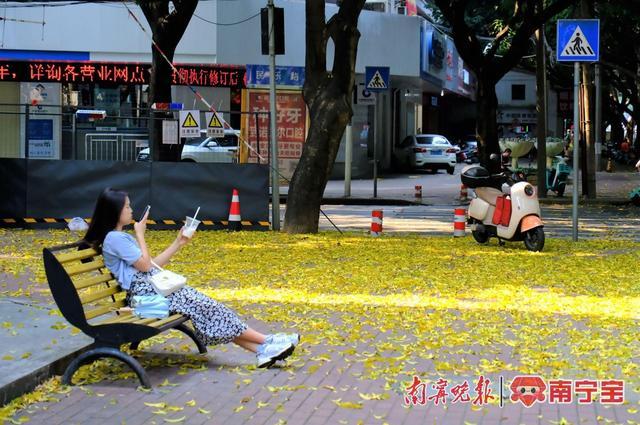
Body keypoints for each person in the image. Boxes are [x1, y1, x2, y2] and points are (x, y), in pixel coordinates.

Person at [83, 188, 299, 368]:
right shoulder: (115, 238)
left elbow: (151, 266)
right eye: (127, 207)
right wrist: (140, 234)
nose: (131, 210)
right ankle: (268, 341)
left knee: (209, 310)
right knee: (209, 308)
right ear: (114, 211)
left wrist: (178, 243)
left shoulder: (118, 237)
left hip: (153, 289)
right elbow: (146, 265)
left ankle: (263, 350)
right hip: (147, 295)